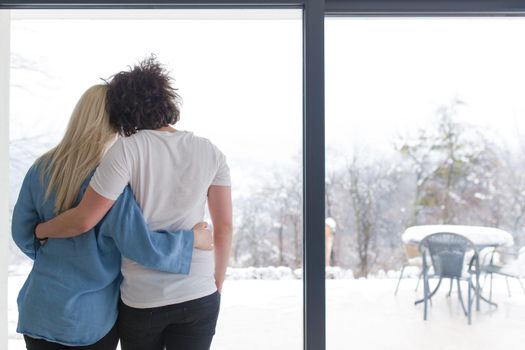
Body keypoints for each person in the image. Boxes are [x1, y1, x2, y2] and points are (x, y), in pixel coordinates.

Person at [36, 57, 233, 350]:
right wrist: (216, 283)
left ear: (124, 111)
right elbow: (225, 227)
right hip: (198, 291)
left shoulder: (126, 151)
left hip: (144, 299)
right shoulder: (210, 151)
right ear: (167, 99)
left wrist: (41, 230)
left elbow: (84, 219)